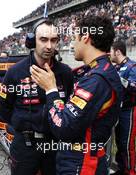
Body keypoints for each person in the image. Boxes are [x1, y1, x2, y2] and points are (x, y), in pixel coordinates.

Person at [30, 15, 123, 174]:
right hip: (83, 157)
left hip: (82, 163)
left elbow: (64, 128)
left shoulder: (97, 80)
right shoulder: (99, 69)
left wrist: (51, 89)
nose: (72, 44)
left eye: (75, 38)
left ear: (85, 38)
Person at [0, 19, 74, 175]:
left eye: (53, 40)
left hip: (54, 145)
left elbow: (69, 108)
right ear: (33, 41)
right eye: (43, 39)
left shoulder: (65, 72)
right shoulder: (15, 72)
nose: (49, 46)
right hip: (24, 145)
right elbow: (4, 108)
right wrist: (22, 125)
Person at [110, 40, 136, 175]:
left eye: (111, 51)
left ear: (118, 52)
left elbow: (134, 87)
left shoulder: (132, 66)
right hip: (118, 111)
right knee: (119, 142)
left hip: (129, 110)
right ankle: (121, 169)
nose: (110, 53)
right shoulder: (116, 68)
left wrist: (118, 79)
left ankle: (130, 171)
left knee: (127, 144)